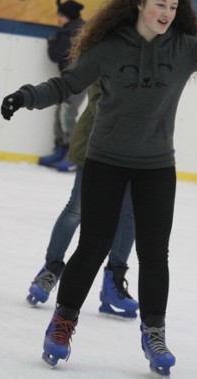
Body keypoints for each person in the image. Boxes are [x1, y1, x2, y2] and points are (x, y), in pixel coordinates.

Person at [0, 0, 197, 375]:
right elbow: (67, 84)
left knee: (155, 255)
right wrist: (26, 96)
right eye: (161, 4)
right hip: (105, 160)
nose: (167, 12)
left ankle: (154, 333)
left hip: (157, 167)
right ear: (139, 3)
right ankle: (62, 323)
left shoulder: (185, 48)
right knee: (92, 246)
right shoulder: (109, 48)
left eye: (174, 7)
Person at [26, 80, 139, 319]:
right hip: (95, 140)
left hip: (137, 146)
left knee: (128, 214)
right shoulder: (109, 48)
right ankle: (50, 269)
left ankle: (113, 283)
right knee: (78, 207)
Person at [38, 0, 86, 168]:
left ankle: (73, 155)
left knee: (66, 113)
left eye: (60, 15)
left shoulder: (69, 33)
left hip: (77, 79)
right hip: (72, 79)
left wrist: (52, 42)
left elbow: (54, 55)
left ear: (67, 16)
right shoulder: (78, 29)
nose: (58, 18)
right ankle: (61, 149)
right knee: (61, 112)